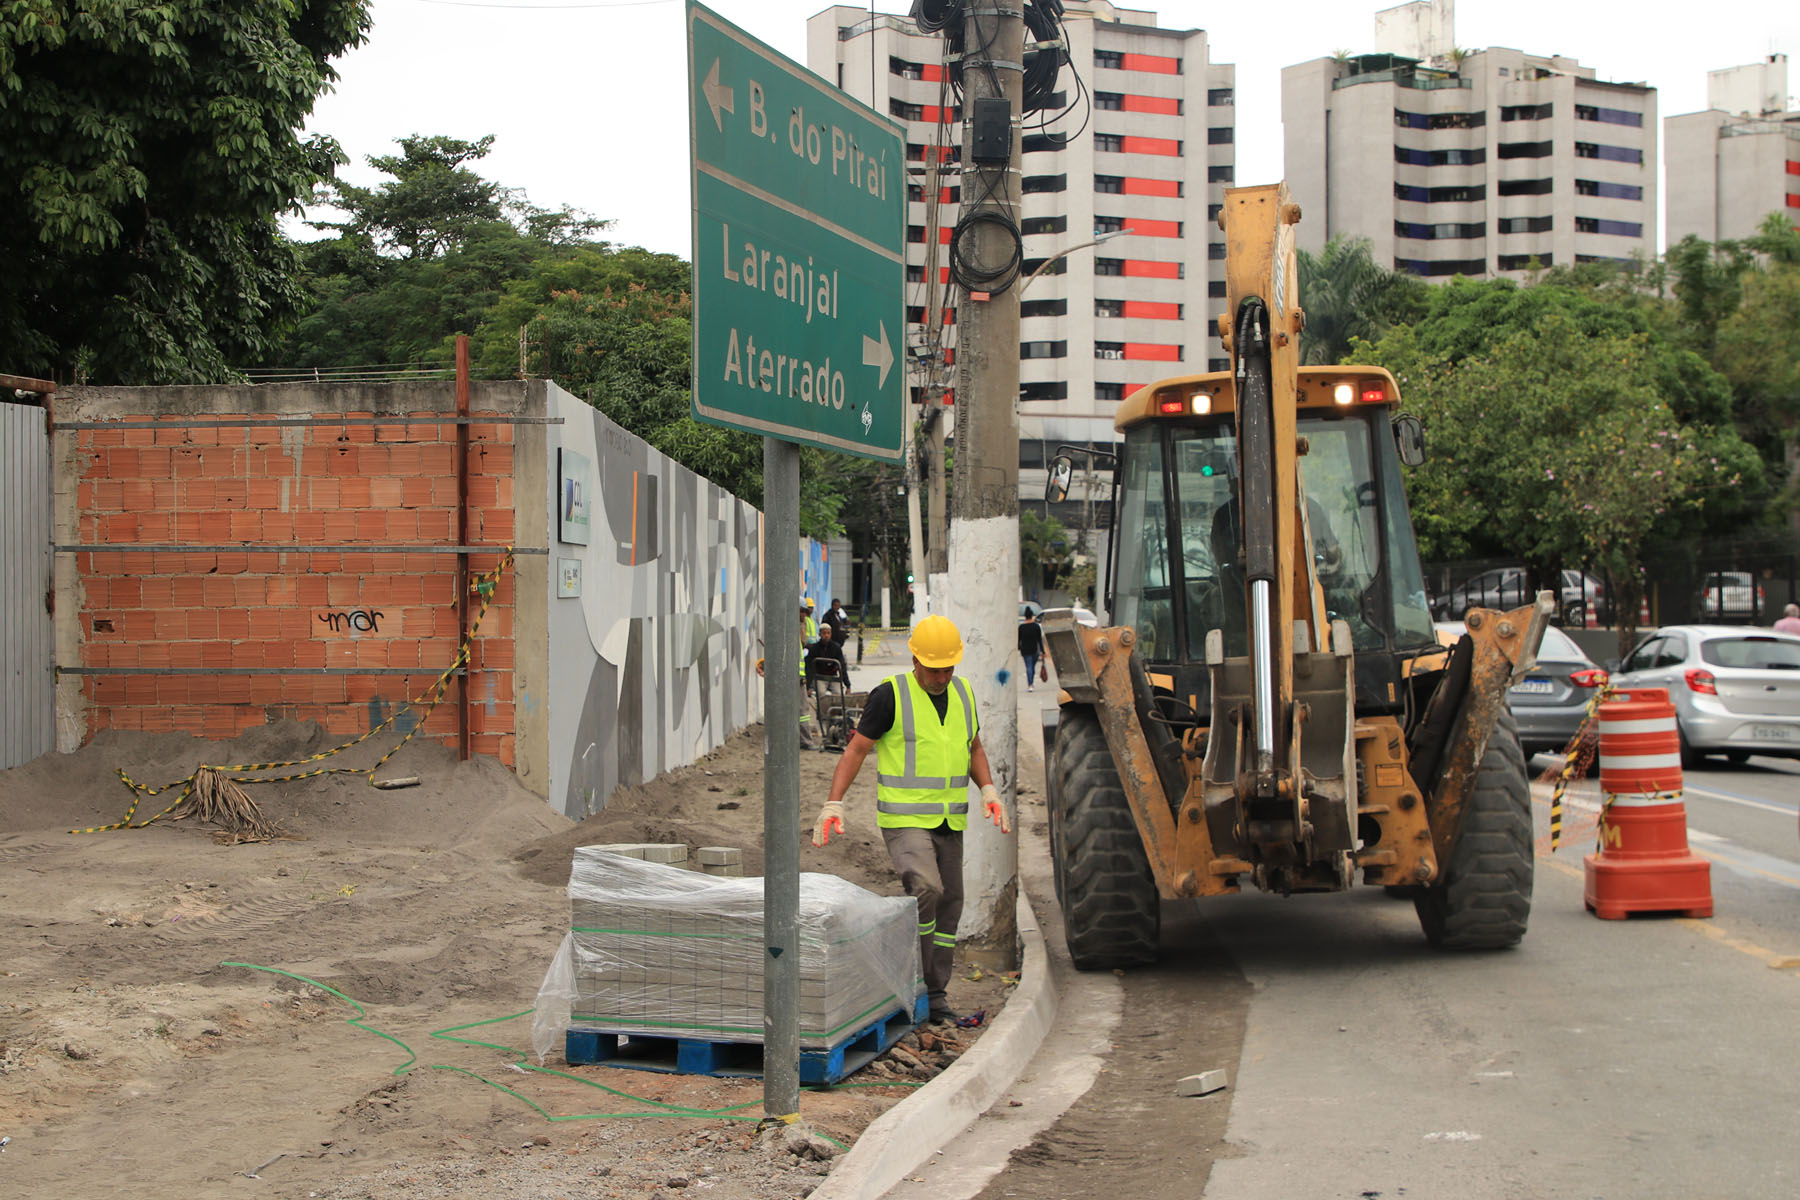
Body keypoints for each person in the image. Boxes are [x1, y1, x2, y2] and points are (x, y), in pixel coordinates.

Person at [811, 614, 1011, 1023]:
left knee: (951, 904)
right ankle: (908, 981)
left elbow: (973, 748)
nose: (942, 677)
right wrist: (834, 803)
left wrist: (988, 790)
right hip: (904, 820)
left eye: (948, 669)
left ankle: (934, 995)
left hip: (948, 821)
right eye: (935, 669)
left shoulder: (965, 694)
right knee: (926, 889)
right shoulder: (891, 695)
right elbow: (856, 750)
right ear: (916, 660)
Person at [1017, 609, 1044, 691]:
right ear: (1032, 616)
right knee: (1032, 666)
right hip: (1034, 650)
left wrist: (1018, 647)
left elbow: (1019, 639)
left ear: (1025, 616)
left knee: (1029, 666)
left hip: (1025, 650)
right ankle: (1031, 683)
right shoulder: (1036, 627)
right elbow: (1039, 640)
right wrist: (1043, 651)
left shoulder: (1021, 627)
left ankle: (1030, 685)